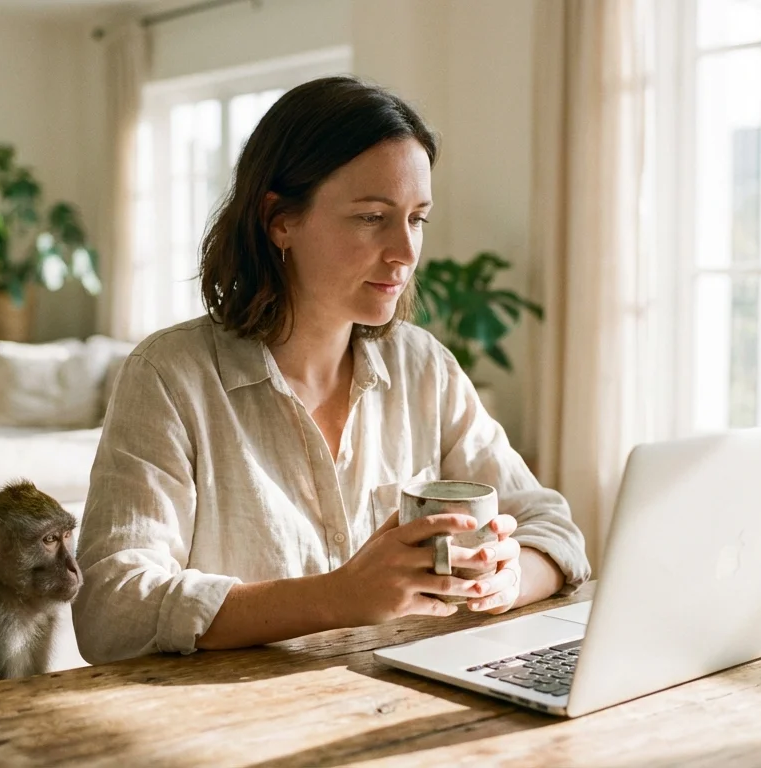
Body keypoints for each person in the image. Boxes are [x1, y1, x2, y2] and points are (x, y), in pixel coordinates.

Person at [73, 75, 590, 664]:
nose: (406, 251)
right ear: (280, 220)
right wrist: (337, 597)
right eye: (373, 217)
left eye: (417, 218)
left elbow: (553, 530)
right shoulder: (170, 376)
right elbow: (110, 609)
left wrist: (507, 580)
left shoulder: (426, 369)